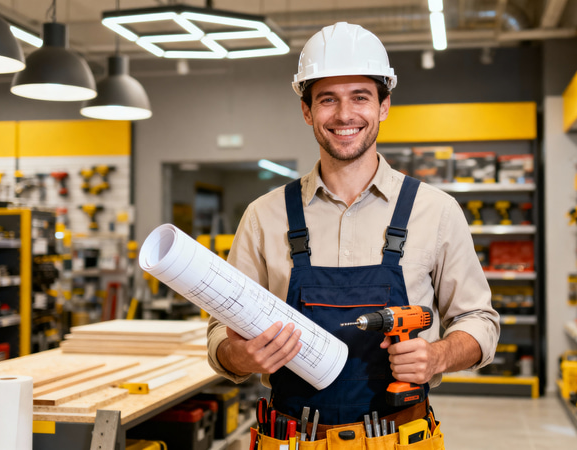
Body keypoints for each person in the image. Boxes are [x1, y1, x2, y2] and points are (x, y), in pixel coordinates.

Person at [207, 21, 499, 444]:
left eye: (360, 97)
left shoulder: (435, 211)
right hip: (293, 439)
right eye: (328, 99)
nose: (345, 115)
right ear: (307, 110)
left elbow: (480, 321)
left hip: (400, 438)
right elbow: (221, 328)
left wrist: (437, 355)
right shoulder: (263, 216)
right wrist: (238, 354)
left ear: (383, 106)